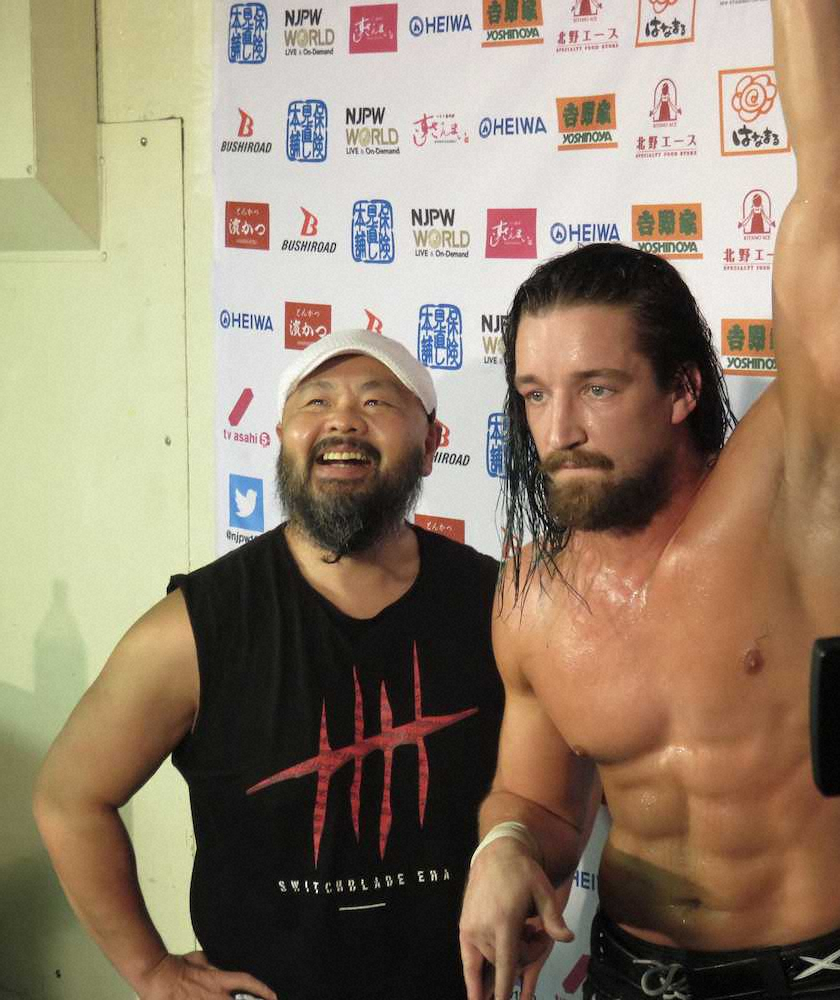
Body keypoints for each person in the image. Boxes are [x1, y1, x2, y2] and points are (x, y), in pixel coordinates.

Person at [459, 3, 840, 1000]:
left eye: (597, 388)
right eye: (534, 394)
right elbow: (538, 800)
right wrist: (506, 844)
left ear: (682, 389)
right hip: (628, 976)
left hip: (813, 981)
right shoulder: (531, 594)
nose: (560, 428)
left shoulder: (798, 499)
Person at [33, 330, 505, 1000]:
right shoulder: (194, 627)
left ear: (431, 444)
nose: (343, 419)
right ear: (283, 438)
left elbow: (555, 788)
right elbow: (69, 798)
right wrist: (150, 970)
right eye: (316, 401)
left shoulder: (497, 606)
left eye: (376, 401)